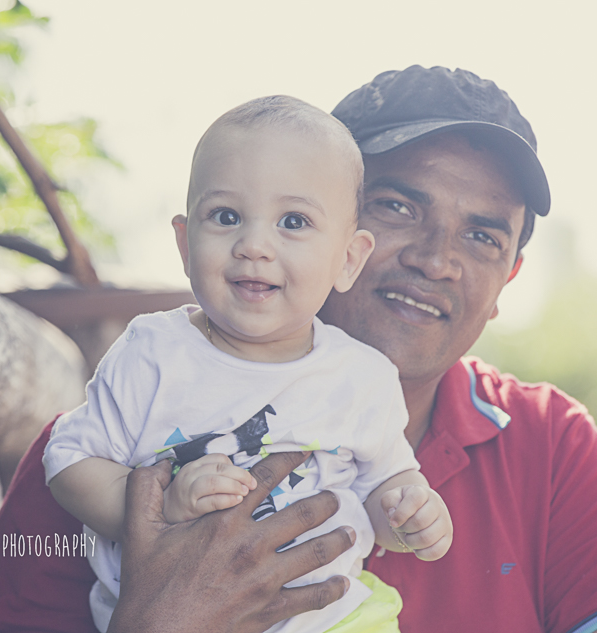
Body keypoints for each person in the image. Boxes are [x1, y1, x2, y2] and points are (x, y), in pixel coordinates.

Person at [0, 66, 597, 633]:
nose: (437, 259)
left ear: (507, 277)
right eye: (398, 205)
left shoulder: (547, 445)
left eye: (482, 235)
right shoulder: (112, 438)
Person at [41, 95, 452, 633]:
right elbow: (70, 463)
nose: (254, 244)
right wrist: (158, 502)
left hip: (332, 621)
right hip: (163, 612)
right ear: (185, 244)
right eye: (227, 216)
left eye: (294, 221)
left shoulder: (361, 378)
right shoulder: (153, 352)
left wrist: (410, 516)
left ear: (348, 258)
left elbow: (384, 488)